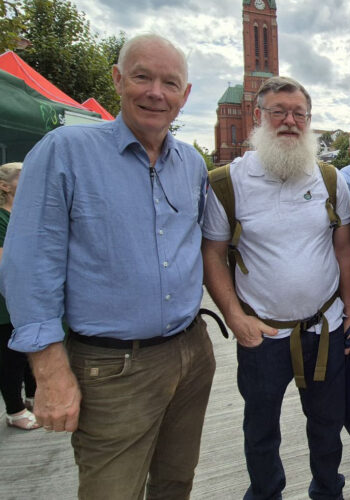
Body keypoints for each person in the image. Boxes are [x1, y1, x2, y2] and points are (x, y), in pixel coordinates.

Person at [0, 34, 215, 498]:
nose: (155, 92)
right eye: (142, 77)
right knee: (111, 491)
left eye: (169, 82)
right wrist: (50, 372)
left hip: (192, 351)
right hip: (111, 365)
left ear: (185, 95)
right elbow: (29, 264)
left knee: (176, 481)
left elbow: (199, 245)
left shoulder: (193, 165)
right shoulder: (66, 151)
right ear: (118, 79)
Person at [202, 76, 350, 500]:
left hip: (323, 329)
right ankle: (266, 494)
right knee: (261, 428)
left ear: (308, 121)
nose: (290, 121)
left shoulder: (329, 179)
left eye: (299, 114)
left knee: (327, 426)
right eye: (279, 112)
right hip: (262, 334)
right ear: (258, 117)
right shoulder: (226, 183)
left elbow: (345, 247)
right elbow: (212, 254)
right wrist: (236, 318)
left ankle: (328, 491)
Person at [0, 162, 38, 430]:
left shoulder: (25, 214)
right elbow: (6, 263)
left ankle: (33, 397)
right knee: (9, 355)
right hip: (7, 299)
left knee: (30, 350)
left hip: (30, 293)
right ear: (5, 185)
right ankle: (14, 411)